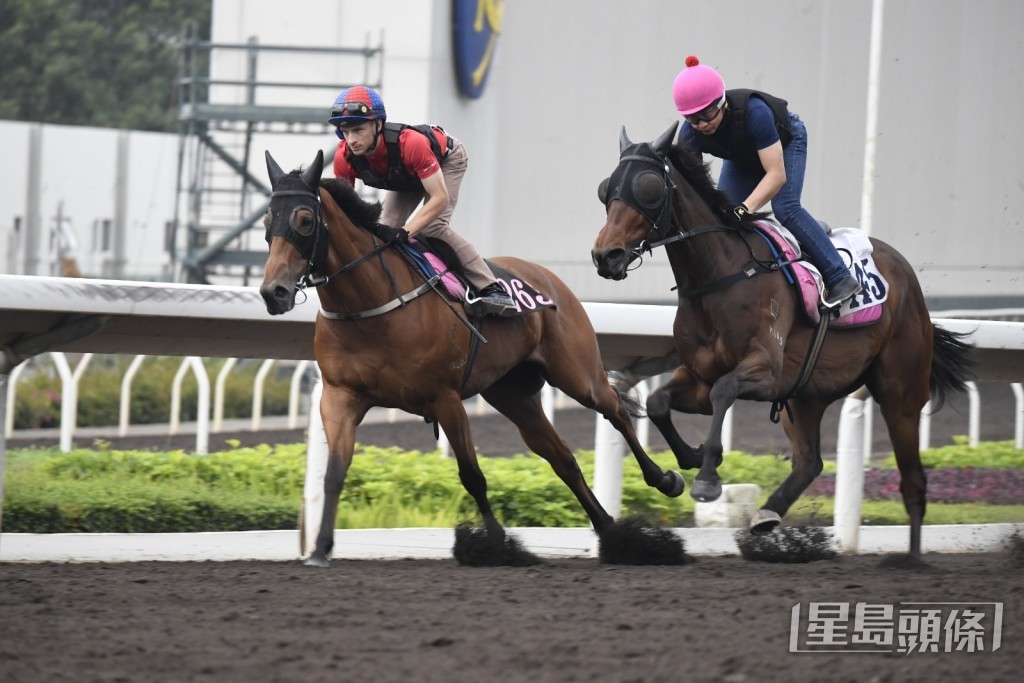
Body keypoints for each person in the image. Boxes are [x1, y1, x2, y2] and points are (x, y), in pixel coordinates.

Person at [671, 56, 862, 308]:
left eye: (706, 114)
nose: (702, 124)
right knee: (722, 217)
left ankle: (840, 276)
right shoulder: (689, 134)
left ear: (722, 102)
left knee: (786, 208)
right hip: (742, 154)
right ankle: (810, 229)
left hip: (786, 140)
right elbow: (697, 193)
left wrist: (744, 209)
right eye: (693, 119)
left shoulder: (755, 113)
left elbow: (776, 175)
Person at [328, 85, 516, 315]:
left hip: (446, 160)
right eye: (345, 132)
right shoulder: (343, 157)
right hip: (405, 173)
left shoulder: (411, 144)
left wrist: (405, 232)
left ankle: (492, 288)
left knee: (433, 227)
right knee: (385, 228)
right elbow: (344, 213)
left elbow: (439, 198)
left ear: (378, 125)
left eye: (358, 130)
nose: (352, 140)